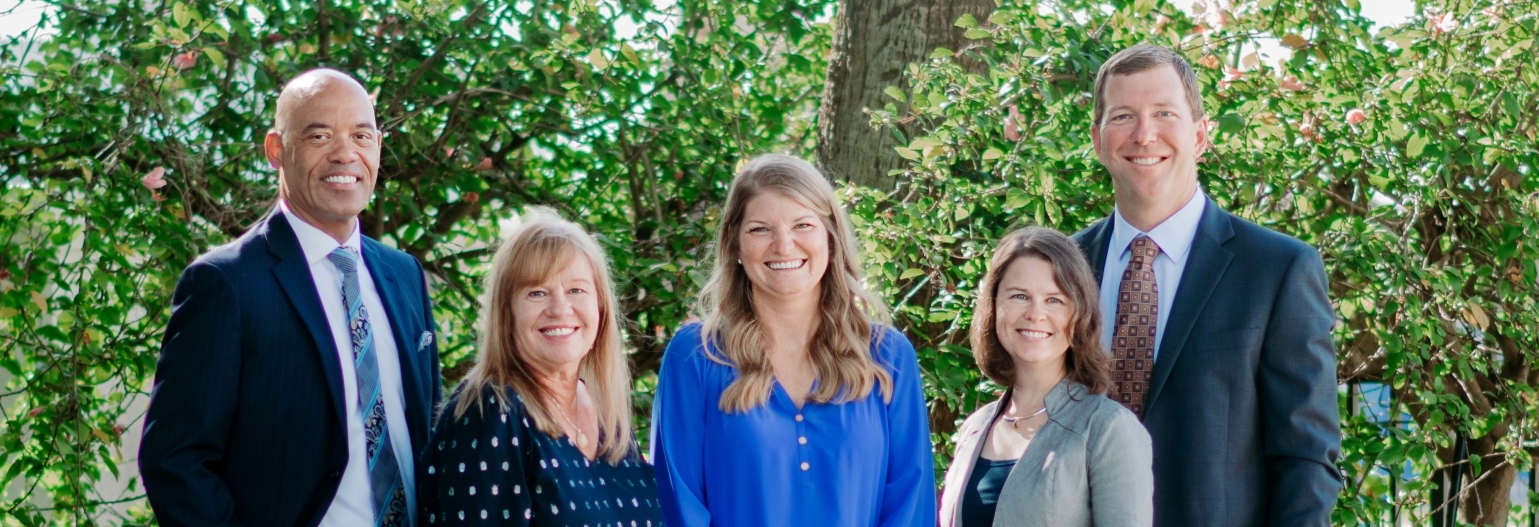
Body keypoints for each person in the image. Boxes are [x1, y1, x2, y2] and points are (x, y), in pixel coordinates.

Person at [139, 69, 442, 527]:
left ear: (378, 146)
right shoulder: (226, 283)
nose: (346, 153)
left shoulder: (404, 275)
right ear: (276, 150)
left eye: (361, 135)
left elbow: (430, 431)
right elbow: (175, 461)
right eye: (320, 135)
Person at [1071, 44, 1342, 526]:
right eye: (1123, 116)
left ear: (1199, 135)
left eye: (1164, 113)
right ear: (1097, 139)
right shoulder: (1064, 267)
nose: (1144, 133)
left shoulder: (1278, 270)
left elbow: (1305, 458)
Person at [652, 154, 935, 527]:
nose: (784, 245)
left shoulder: (888, 356)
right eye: (760, 229)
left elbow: (911, 507)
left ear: (830, 237)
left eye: (802, 224)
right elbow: (678, 506)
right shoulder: (696, 357)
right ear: (734, 244)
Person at [417, 209, 662, 526]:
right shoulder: (491, 410)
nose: (560, 309)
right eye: (537, 292)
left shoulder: (607, 413)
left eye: (576, 290)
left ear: (600, 306)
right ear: (507, 314)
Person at [937, 227, 1151, 527]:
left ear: (1080, 315)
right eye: (1020, 296)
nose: (1036, 314)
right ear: (994, 306)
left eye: (1055, 300)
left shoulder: (1108, 429)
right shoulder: (975, 428)